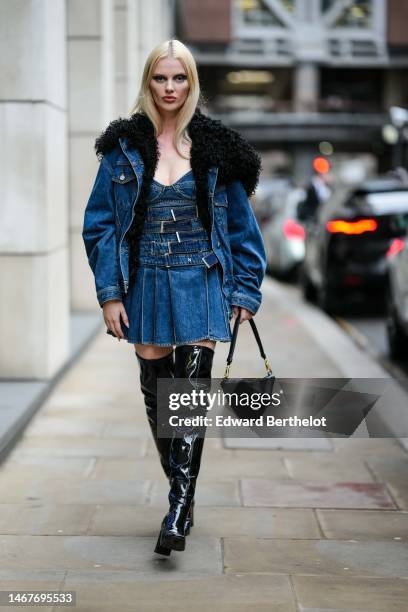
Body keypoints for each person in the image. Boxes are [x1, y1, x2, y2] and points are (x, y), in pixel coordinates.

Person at [82, 39, 266, 555]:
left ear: (192, 83)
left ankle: (178, 510)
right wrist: (109, 294)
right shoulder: (122, 147)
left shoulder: (215, 148)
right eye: (161, 79)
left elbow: (242, 229)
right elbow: (98, 227)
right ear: (148, 82)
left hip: (202, 279)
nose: (169, 88)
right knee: (157, 396)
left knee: (185, 403)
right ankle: (179, 489)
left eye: (178, 79)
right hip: (145, 283)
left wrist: (246, 290)